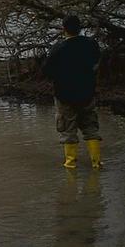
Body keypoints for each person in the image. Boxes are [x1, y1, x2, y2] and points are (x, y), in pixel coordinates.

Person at [43, 15, 102, 170]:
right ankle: (96, 163)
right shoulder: (91, 44)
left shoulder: (59, 48)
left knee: (68, 129)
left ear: (64, 29)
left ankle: (70, 164)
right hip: (87, 92)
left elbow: (47, 70)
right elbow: (96, 62)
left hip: (65, 95)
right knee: (91, 127)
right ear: (80, 28)